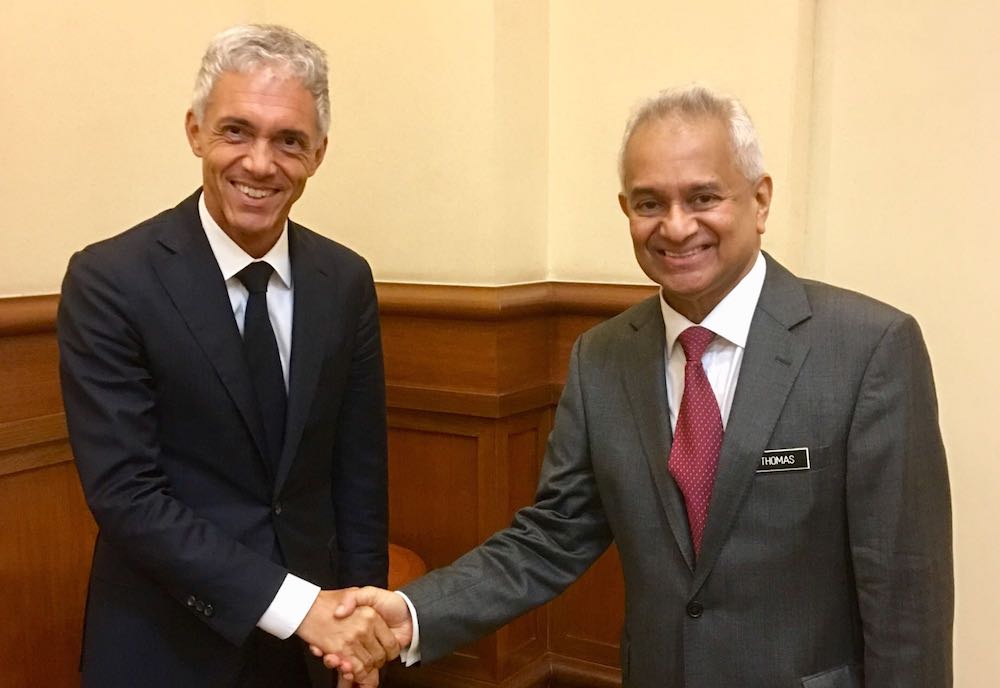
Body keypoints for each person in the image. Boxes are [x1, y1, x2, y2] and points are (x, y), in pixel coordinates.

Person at [328, 85, 954, 687]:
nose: (676, 227)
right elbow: (553, 535)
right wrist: (412, 614)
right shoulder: (602, 359)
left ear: (760, 200)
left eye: (703, 197)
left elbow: (906, 596)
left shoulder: (868, 349)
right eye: (650, 203)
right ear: (625, 210)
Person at [57, 24, 396, 688]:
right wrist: (300, 608)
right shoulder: (110, 280)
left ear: (319, 153)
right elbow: (127, 495)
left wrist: (360, 620)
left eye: (289, 140)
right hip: (166, 644)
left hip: (313, 652)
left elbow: (358, 472)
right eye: (236, 131)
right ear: (195, 132)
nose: (261, 163)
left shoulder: (346, 279)